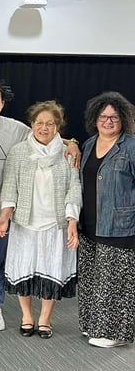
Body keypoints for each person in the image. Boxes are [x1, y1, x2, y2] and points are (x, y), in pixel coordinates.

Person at [0, 76, 80, 331]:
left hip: (6, 213)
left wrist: (73, 143)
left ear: (3, 104)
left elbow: (50, 136)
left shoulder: (17, 129)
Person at [0, 101, 81, 339]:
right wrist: (4, 215)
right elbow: (10, 187)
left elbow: (74, 187)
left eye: (49, 123)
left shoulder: (68, 152)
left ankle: (45, 318)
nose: (44, 127)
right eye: (39, 123)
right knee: (25, 268)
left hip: (56, 224)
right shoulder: (19, 151)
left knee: (51, 268)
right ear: (31, 125)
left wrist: (72, 221)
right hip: (25, 223)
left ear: (57, 126)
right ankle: (27, 316)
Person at [78, 92, 135, 348]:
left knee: (115, 281)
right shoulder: (89, 144)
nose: (108, 121)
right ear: (95, 118)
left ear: (123, 119)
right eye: (103, 116)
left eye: (114, 117)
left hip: (120, 226)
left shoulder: (131, 146)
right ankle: (92, 325)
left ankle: (113, 333)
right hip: (89, 224)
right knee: (92, 278)